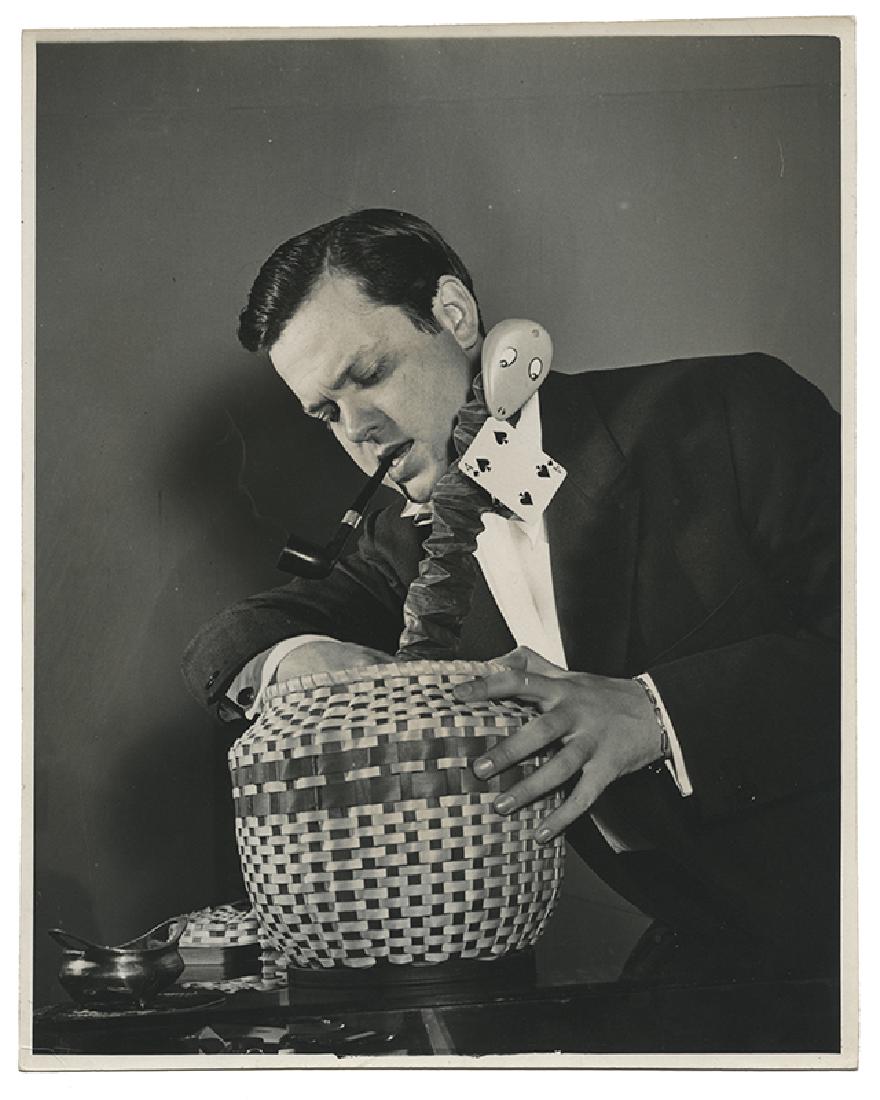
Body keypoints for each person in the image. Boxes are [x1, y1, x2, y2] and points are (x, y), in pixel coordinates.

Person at [182, 209, 840, 982]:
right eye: (327, 412)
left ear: (454, 317)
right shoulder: (403, 549)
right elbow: (233, 638)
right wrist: (296, 660)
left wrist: (655, 713)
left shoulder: (731, 414)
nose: (359, 429)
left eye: (369, 375)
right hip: (720, 961)